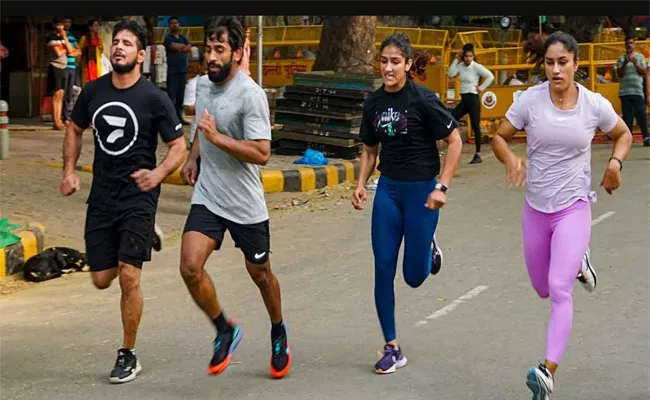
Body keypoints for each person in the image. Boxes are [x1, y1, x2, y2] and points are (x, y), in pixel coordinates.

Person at [490, 31, 632, 399]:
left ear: (575, 64)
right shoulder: (530, 101)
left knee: (558, 288)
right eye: (550, 63)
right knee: (541, 286)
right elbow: (499, 137)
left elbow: (624, 134)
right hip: (536, 209)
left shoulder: (593, 104)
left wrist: (615, 163)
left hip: (573, 206)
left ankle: (546, 371)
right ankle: (580, 260)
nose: (555, 70)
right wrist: (510, 158)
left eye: (563, 62)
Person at [59, 19, 186, 384]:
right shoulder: (94, 92)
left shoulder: (154, 99)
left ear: (141, 55)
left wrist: (159, 174)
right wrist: (69, 170)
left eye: (128, 43)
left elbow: (178, 145)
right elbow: (74, 129)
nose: (120, 47)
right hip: (102, 196)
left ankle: (128, 353)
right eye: (117, 42)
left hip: (139, 196)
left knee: (129, 277)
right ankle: (144, 239)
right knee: (102, 279)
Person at [178, 16, 291, 379]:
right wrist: (193, 156)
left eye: (219, 50)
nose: (210, 56)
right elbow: (202, 126)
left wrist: (217, 140)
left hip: (244, 203)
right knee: (190, 266)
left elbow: (261, 153)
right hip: (209, 195)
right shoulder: (202, 84)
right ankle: (224, 328)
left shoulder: (250, 94)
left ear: (238, 53)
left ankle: (278, 329)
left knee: (260, 274)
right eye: (207, 49)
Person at [351, 33, 463, 375]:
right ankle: (391, 346)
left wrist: (442, 186)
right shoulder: (374, 103)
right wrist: (360, 184)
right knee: (383, 266)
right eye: (384, 61)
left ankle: (427, 248)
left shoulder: (423, 100)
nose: (388, 67)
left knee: (413, 276)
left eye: (395, 62)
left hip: (422, 192)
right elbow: (370, 149)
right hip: (388, 190)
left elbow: (455, 140)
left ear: (408, 64)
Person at [447, 43, 494, 164]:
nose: (468, 58)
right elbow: (451, 73)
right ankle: (453, 145)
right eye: (466, 56)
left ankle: (477, 154)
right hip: (464, 99)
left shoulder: (476, 67)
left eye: (470, 56)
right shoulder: (461, 66)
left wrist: (481, 87)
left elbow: (490, 76)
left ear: (473, 56)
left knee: (475, 126)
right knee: (451, 118)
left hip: (473, 98)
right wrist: (455, 60)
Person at [616, 35, 649, 146]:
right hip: (625, 92)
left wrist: (636, 63)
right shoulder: (621, 58)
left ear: (634, 45)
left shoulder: (639, 57)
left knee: (641, 115)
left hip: (637, 91)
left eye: (631, 43)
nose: (629, 45)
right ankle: (628, 139)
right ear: (625, 45)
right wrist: (625, 62)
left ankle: (646, 137)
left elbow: (644, 72)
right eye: (627, 43)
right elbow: (619, 73)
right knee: (627, 117)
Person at [46, 17, 74, 130]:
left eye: (62, 25)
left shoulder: (63, 37)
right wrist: (65, 49)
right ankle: (56, 121)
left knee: (62, 95)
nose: (60, 27)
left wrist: (64, 40)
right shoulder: (51, 36)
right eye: (58, 24)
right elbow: (58, 52)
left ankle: (60, 120)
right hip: (55, 67)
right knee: (56, 95)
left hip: (64, 67)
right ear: (54, 25)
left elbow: (71, 50)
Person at [164, 16, 192, 125]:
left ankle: (179, 118)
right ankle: (171, 119)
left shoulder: (183, 37)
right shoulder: (168, 38)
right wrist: (183, 47)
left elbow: (189, 47)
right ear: (169, 25)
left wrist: (181, 47)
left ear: (179, 24)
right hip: (173, 71)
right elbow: (172, 47)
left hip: (183, 71)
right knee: (172, 96)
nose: (174, 25)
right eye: (172, 23)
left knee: (181, 97)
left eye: (176, 23)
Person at [78, 19, 104, 86]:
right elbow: (79, 51)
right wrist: (78, 63)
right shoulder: (84, 38)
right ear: (90, 27)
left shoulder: (98, 39)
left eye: (97, 25)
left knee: (96, 83)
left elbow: (101, 51)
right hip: (87, 64)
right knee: (87, 83)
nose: (97, 27)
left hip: (96, 64)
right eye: (95, 25)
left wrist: (98, 48)